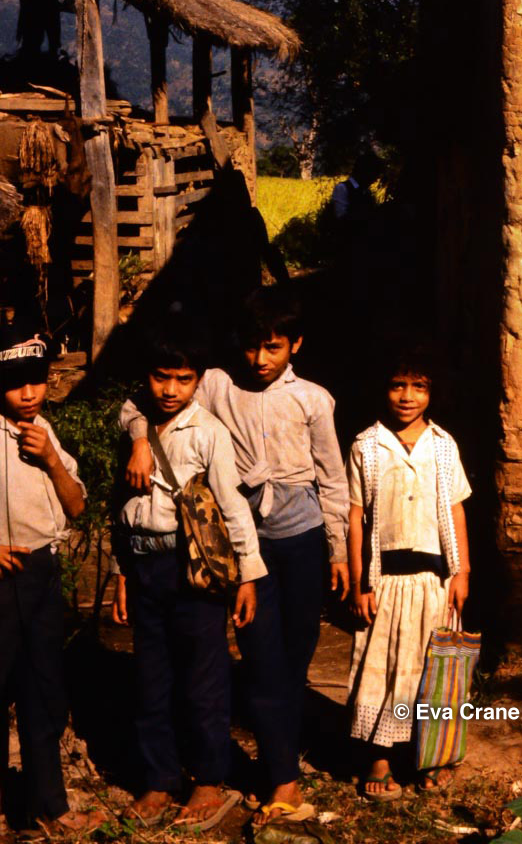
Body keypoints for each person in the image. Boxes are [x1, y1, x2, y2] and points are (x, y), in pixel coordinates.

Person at [121, 288, 350, 826]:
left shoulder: (314, 399)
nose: (260, 359)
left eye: (273, 347)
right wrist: (139, 441)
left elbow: (332, 477)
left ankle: (283, 751)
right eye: (251, 346)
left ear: (295, 344)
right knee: (262, 658)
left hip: (302, 538)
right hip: (245, 545)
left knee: (295, 658)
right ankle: (284, 778)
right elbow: (136, 405)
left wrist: (338, 550)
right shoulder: (217, 384)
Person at [111, 326, 265, 829]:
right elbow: (120, 505)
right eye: (161, 377)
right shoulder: (134, 420)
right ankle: (158, 781)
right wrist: (120, 572)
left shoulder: (208, 432)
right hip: (144, 565)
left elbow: (232, 504)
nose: (170, 389)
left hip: (193, 568)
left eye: (183, 379)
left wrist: (247, 576)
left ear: (199, 380)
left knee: (204, 679)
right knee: (150, 679)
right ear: (147, 376)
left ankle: (209, 779)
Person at [347, 343, 471, 802]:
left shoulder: (443, 445)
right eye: (398, 385)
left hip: (435, 579)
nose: (407, 396)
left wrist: (462, 572)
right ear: (383, 388)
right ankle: (379, 758)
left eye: (419, 386)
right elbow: (355, 515)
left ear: (433, 391)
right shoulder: (366, 445)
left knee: (432, 667)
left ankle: (433, 755)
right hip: (385, 580)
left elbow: (455, 510)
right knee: (381, 666)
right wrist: (361, 582)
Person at [0, 323, 105, 836]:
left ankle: (49, 807)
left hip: (42, 574)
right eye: (15, 384)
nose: (28, 394)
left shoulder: (45, 431)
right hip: (3, 581)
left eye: (37, 381)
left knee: (43, 692)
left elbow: (77, 505)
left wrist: (49, 458)